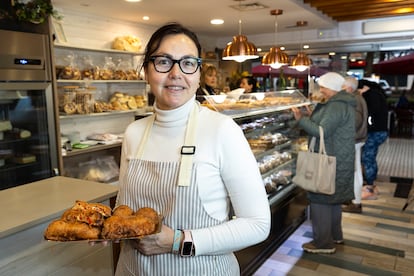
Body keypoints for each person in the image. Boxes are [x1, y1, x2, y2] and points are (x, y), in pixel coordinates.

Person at [115, 23, 271, 275]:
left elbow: (257, 224)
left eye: (188, 63)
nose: (176, 73)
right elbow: (125, 208)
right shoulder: (134, 132)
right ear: (146, 71)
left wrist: (178, 241)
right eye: (163, 62)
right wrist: (108, 226)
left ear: (198, 74)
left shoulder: (222, 130)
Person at [291, 72, 355, 254]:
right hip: (338, 158)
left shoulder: (336, 106)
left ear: (332, 88)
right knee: (333, 200)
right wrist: (312, 114)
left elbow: (322, 132)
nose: (321, 90)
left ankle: (323, 244)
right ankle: (335, 235)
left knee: (320, 200)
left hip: (329, 160)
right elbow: (328, 125)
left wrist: (301, 119)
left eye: (323, 87)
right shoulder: (340, 103)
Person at [358, 79, 389, 200]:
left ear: (364, 87)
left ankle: (370, 188)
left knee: (368, 158)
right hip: (380, 131)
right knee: (370, 157)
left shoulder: (372, 95)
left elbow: (370, 113)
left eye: (359, 90)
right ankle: (371, 185)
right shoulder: (377, 93)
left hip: (375, 131)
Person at [341, 76, 368, 213]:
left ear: (350, 88)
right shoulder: (357, 98)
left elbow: (355, 121)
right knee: (354, 170)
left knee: (354, 171)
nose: (341, 90)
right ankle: (352, 199)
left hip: (354, 140)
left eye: (343, 88)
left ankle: (356, 203)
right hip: (357, 139)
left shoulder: (354, 100)